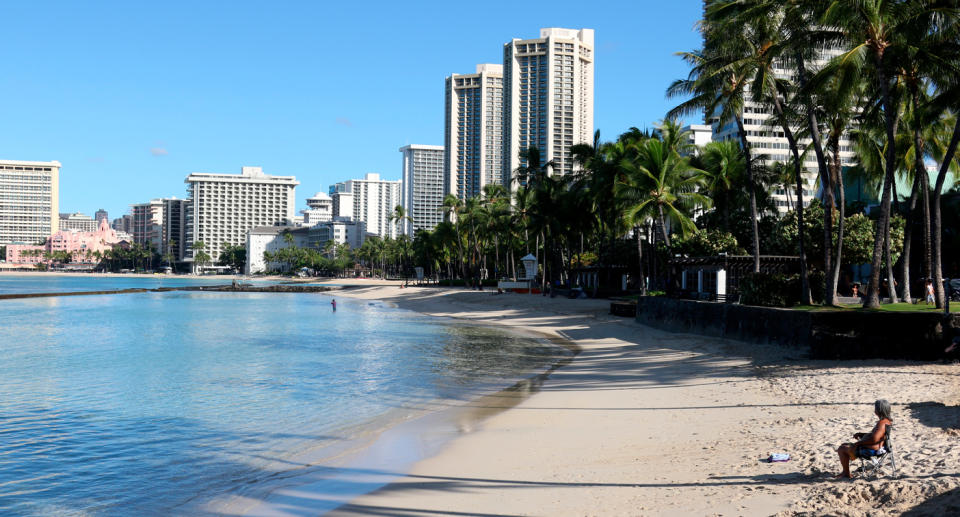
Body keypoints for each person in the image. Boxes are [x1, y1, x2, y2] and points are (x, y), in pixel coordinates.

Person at [836, 399, 892, 478]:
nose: (874, 410)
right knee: (845, 445)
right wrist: (861, 434)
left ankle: (846, 473)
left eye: (875, 408)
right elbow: (877, 436)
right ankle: (845, 472)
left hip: (871, 451)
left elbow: (874, 439)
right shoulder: (886, 421)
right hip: (876, 448)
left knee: (842, 449)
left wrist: (858, 443)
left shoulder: (882, 424)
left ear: (878, 411)